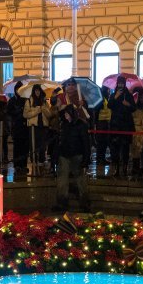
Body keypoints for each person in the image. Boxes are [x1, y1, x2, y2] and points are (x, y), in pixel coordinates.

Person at [54, 78, 91, 212]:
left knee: (80, 180)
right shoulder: (63, 125)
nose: (65, 116)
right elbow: (60, 141)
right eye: (65, 114)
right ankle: (61, 202)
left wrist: (86, 159)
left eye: (67, 114)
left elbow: (86, 143)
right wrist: (56, 156)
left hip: (77, 155)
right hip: (64, 155)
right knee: (62, 181)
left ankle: (84, 203)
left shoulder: (80, 125)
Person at [107, 76, 136, 177]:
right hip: (115, 125)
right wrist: (115, 97)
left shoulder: (128, 95)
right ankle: (116, 168)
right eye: (119, 83)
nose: (120, 85)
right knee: (115, 149)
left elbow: (134, 108)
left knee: (125, 148)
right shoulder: (113, 94)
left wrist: (128, 104)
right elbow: (109, 105)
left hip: (126, 125)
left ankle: (124, 167)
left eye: (122, 83)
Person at [23, 84, 51, 171]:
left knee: (42, 144)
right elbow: (25, 114)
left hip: (43, 126)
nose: (37, 92)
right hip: (33, 126)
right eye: (36, 90)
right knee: (33, 144)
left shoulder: (44, 101)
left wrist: (43, 109)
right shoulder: (29, 101)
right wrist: (37, 111)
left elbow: (49, 115)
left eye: (38, 90)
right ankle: (34, 160)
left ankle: (42, 160)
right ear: (33, 91)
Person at [7, 81, 29, 178]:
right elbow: (9, 112)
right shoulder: (12, 100)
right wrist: (17, 111)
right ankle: (17, 165)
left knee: (25, 147)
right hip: (16, 126)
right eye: (17, 89)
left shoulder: (25, 100)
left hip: (25, 127)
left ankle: (23, 164)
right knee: (17, 147)